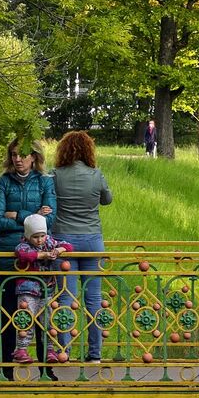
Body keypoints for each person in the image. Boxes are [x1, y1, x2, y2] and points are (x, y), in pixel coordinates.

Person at [0, 138, 56, 368]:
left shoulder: (44, 182)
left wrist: (15, 214)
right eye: (14, 154)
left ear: (34, 157)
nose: (18, 159)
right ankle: (6, 370)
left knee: (42, 315)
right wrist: (31, 217)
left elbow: (48, 220)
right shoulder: (4, 182)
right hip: (9, 256)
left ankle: (46, 372)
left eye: (23, 155)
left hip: (40, 260)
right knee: (9, 314)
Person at [52, 130, 113, 364]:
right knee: (94, 299)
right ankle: (95, 354)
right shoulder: (96, 175)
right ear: (89, 151)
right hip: (92, 240)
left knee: (65, 297)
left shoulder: (56, 175)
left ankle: (63, 352)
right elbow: (107, 200)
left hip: (63, 241)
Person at [9, 214, 74, 365]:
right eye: (35, 237)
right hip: (28, 289)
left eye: (42, 236)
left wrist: (59, 250)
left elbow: (69, 246)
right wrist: (42, 254)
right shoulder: (24, 244)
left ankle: (49, 349)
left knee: (49, 321)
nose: (39, 240)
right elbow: (23, 254)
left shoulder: (49, 242)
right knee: (26, 318)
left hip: (47, 289)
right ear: (27, 235)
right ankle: (21, 349)